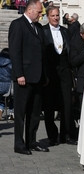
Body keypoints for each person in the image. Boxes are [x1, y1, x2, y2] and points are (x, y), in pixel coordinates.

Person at [8, 0, 48, 155]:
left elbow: (42, 54)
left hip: (37, 77)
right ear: (30, 10)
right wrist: (19, 74)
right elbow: (15, 51)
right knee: (20, 112)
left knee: (34, 112)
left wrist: (44, 75)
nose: (40, 15)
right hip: (23, 77)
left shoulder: (38, 27)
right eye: (39, 12)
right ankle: (19, 144)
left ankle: (31, 141)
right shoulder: (18, 25)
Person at [42, 5, 76, 146]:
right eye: (53, 15)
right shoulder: (42, 31)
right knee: (49, 106)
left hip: (65, 72)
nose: (55, 18)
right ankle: (52, 136)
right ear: (48, 16)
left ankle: (66, 135)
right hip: (50, 73)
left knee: (67, 104)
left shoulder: (65, 31)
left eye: (57, 15)